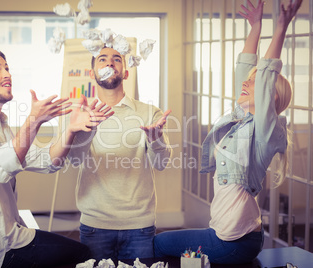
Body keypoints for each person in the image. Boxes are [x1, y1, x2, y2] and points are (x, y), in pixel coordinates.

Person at [153, 0, 302, 264]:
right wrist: (255, 26)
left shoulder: (264, 133)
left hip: (232, 242)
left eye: (253, 83)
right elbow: (244, 70)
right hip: (229, 235)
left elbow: (266, 76)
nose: (246, 82)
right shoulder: (243, 119)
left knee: (158, 244)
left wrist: (281, 25)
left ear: (269, 97)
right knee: (169, 246)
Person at [0, 45, 112, 268]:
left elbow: (49, 161)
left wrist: (72, 130)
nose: (7, 74)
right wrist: (34, 120)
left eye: (7, 68)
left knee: (80, 253)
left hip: (12, 236)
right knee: (83, 255)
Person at [62, 44, 172, 261]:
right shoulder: (79, 115)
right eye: (102, 59)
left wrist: (156, 140)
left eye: (117, 59)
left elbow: (161, 163)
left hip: (140, 226)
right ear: (93, 73)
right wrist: (87, 131)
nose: (109, 62)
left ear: (126, 72)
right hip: (95, 225)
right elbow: (74, 161)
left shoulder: (150, 113)